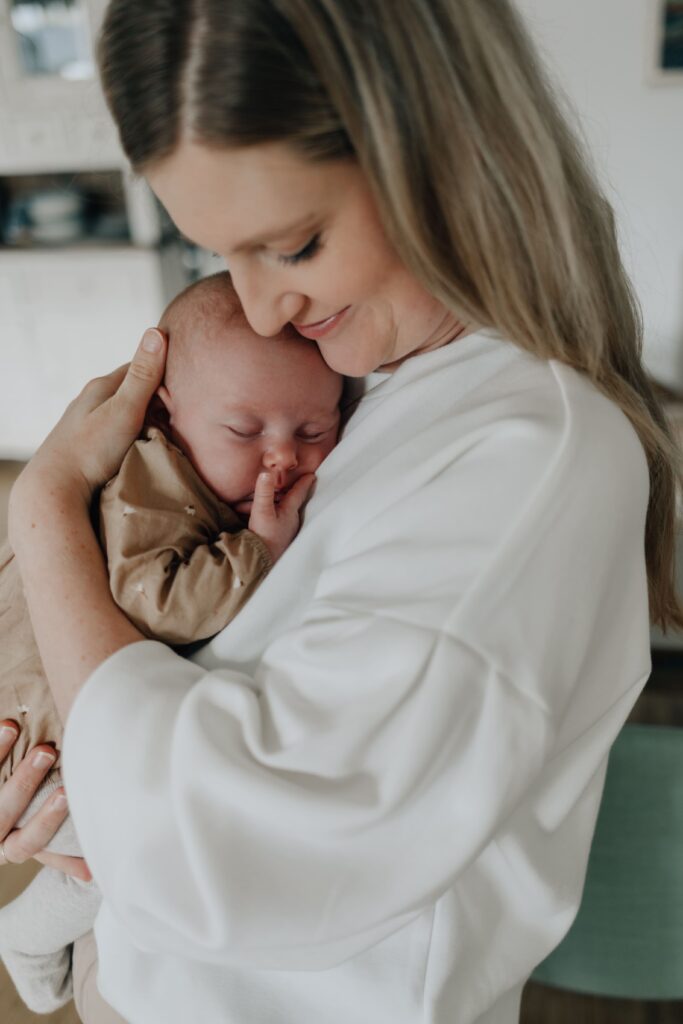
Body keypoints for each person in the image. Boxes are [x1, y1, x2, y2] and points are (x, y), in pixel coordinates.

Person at [1, 1, 680, 1022]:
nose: (264, 308)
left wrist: (44, 507)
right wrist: (43, 754)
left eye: (295, 243)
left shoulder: (523, 457)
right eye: (220, 254)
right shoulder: (360, 382)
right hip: (132, 960)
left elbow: (232, 848)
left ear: (442, 155)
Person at [0, 270, 342, 1014]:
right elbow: (154, 601)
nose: (280, 457)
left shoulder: (196, 475)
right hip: (40, 739)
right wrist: (258, 551)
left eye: (313, 431)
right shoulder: (148, 487)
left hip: (57, 720)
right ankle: (25, 931)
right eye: (245, 431)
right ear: (161, 412)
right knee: (126, 846)